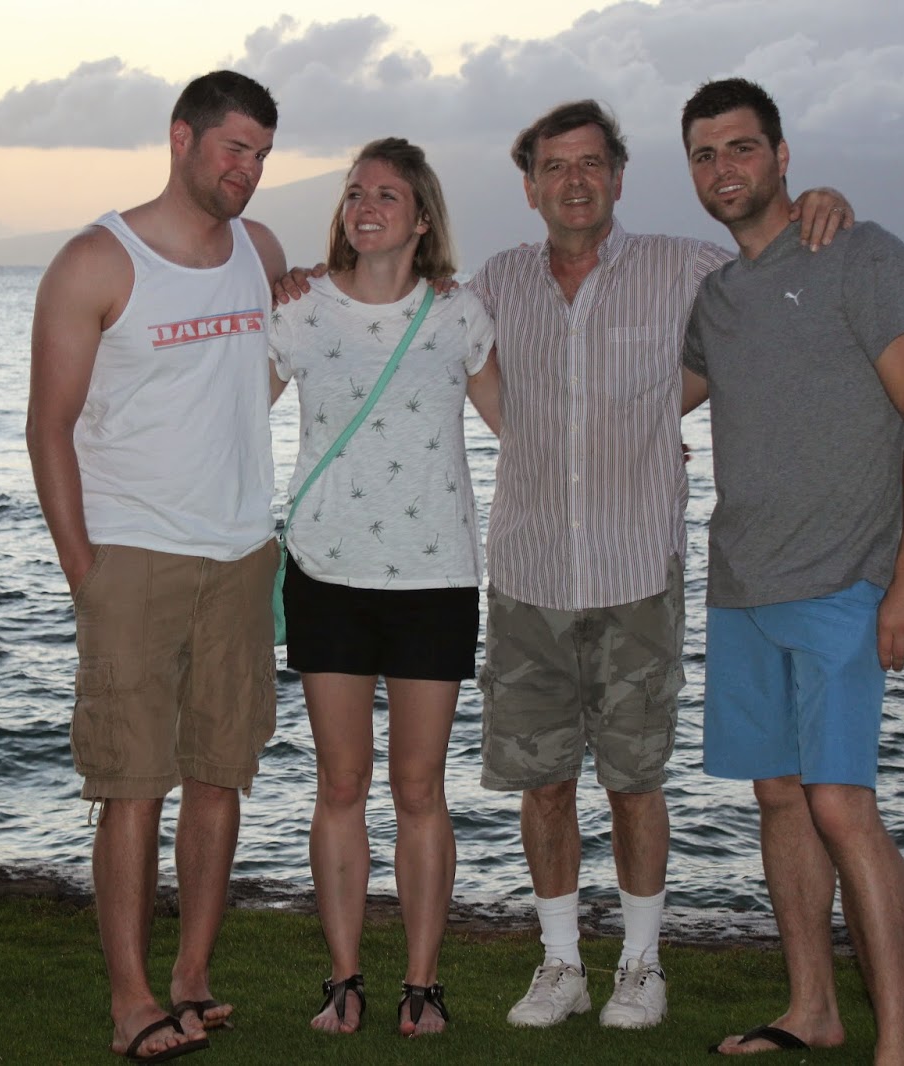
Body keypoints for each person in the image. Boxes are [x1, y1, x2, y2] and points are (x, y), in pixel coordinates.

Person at [468, 101, 852, 1034]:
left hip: (636, 571)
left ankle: (641, 965)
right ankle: (561, 964)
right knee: (543, 785)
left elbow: (775, 276)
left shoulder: (683, 267)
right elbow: (432, 334)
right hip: (527, 576)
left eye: (590, 163)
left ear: (617, 176)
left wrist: (819, 204)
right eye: (554, 166)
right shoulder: (498, 281)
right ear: (530, 186)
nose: (573, 181)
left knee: (634, 783)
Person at [679, 78, 904, 1064]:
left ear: (782, 156)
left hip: (845, 579)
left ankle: (898, 1045)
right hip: (743, 584)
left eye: (741, 147)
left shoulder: (862, 254)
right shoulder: (716, 299)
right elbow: (645, 399)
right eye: (704, 154)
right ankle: (811, 1011)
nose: (724, 168)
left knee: (841, 803)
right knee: (780, 799)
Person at [25, 70, 287, 1064]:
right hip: (132, 555)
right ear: (182, 138)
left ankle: (192, 979)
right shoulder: (97, 261)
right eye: (233, 148)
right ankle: (131, 1001)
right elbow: (48, 428)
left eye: (261, 154)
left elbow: (260, 375)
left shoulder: (261, 253)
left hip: (242, 553)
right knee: (132, 783)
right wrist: (83, 570)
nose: (247, 170)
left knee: (220, 775)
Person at [268, 137, 500, 1038]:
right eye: (356, 192)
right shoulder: (298, 310)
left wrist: (636, 447)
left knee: (418, 788)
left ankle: (422, 985)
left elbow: (521, 424)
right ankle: (342, 980)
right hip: (325, 573)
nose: (366, 207)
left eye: (388, 195)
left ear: (423, 216)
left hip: (436, 578)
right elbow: (227, 408)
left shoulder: (459, 313)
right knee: (340, 783)